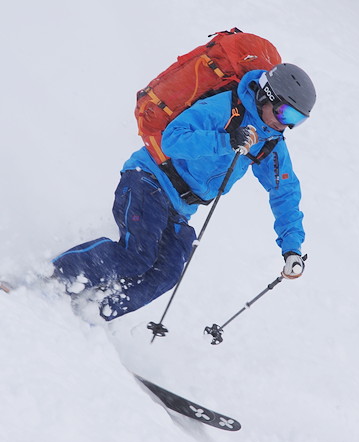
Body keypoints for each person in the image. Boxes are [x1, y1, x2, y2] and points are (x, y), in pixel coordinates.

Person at [50, 63, 316, 321]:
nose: (286, 125)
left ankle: (91, 312)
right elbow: (173, 139)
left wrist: (292, 247)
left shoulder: (270, 144)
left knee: (166, 271)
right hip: (148, 179)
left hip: (179, 207)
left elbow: (285, 192)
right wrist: (227, 140)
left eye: (297, 120)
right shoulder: (224, 108)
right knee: (138, 255)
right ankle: (53, 280)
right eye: (285, 114)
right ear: (265, 96)